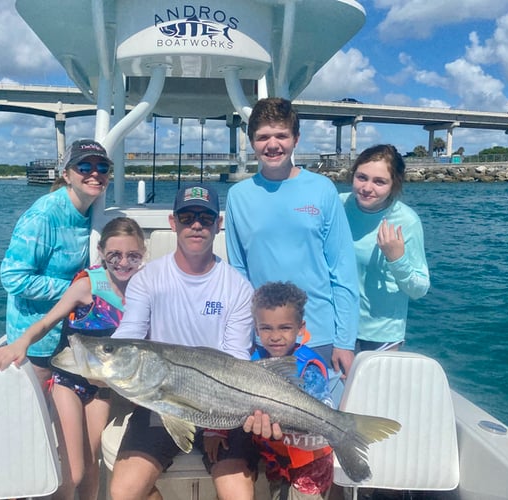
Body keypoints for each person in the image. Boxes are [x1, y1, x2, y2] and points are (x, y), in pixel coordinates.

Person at [108, 183, 258, 500]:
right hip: (161, 401)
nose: (196, 225)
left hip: (221, 406)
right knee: (123, 493)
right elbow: (129, 333)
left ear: (218, 225)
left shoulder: (238, 287)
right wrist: (107, 366)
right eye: (187, 217)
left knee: (239, 495)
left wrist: (218, 425)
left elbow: (236, 360)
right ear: (172, 222)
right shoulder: (147, 279)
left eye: (204, 218)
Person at [0, 217, 146, 500]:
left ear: (143, 255)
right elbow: (47, 322)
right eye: (115, 255)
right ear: (101, 252)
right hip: (68, 382)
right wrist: (22, 342)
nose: (123, 263)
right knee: (72, 472)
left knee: (90, 464)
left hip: (101, 388)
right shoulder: (89, 285)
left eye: (133, 256)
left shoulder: (142, 289)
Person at [226, 97, 360, 379]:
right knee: (264, 424)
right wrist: (241, 336)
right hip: (263, 338)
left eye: (281, 135)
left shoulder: (323, 190)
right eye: (263, 137)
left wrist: (345, 342)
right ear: (252, 142)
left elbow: (343, 271)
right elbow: (238, 273)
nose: (272, 145)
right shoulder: (238, 196)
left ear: (296, 139)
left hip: (319, 335)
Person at [0, 139, 113, 388]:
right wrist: (76, 290)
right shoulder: (43, 216)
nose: (95, 174)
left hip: (74, 332)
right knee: (42, 413)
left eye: (102, 168)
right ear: (66, 174)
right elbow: (13, 278)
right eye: (84, 167)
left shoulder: (94, 213)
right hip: (38, 341)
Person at [339, 144, 430, 351]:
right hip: (337, 327)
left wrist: (397, 259)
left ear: (394, 184)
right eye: (361, 177)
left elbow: (419, 289)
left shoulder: (407, 221)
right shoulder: (338, 206)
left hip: (382, 335)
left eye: (379, 182)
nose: (367, 187)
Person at [250, 281, 335, 500]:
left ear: (301, 328)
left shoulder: (309, 369)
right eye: (266, 328)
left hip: (310, 468)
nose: (275, 336)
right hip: (278, 462)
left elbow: (321, 426)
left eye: (285, 327)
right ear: (256, 328)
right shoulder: (254, 362)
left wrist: (287, 430)